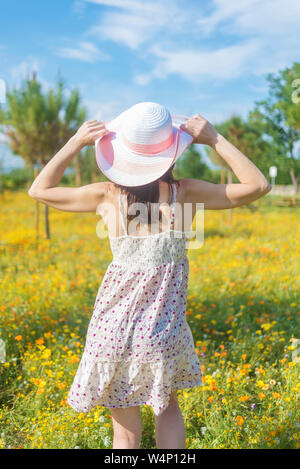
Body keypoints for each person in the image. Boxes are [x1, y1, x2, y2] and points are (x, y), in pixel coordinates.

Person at [28, 102, 271, 449]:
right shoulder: (184, 194)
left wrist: (75, 142)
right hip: (161, 333)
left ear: (123, 156)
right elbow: (258, 185)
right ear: (171, 154)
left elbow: (38, 190)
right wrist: (215, 139)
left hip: (110, 333)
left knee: (125, 436)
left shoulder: (106, 195)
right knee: (167, 412)